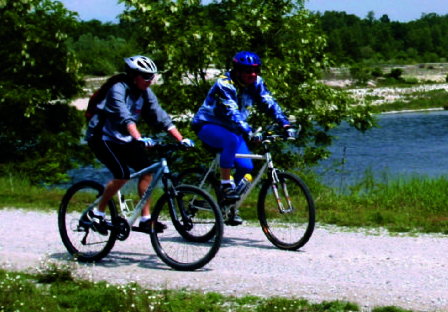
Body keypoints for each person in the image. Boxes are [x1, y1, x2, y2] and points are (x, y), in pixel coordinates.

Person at [84, 55, 192, 234]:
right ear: (134, 75)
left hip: (124, 138)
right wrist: (139, 137)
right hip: (102, 137)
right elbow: (125, 117)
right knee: (122, 174)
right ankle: (97, 213)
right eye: (146, 76)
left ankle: (145, 219)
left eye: (152, 76)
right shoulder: (117, 89)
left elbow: (160, 116)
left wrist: (181, 139)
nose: (150, 80)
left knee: (147, 171)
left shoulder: (145, 92)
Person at [190, 50, 295, 224]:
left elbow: (268, 102)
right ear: (237, 71)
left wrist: (284, 123)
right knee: (230, 140)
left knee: (246, 167)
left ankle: (229, 207)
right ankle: (225, 185)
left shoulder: (257, 82)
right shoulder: (225, 83)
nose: (252, 74)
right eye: (248, 71)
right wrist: (249, 131)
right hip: (208, 125)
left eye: (256, 70)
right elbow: (232, 112)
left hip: (234, 129)